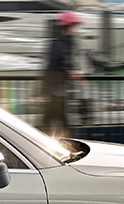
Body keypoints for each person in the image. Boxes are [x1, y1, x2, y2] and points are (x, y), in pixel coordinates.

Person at [42, 10, 84, 138]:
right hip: (56, 85)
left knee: (53, 117)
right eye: (75, 25)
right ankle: (71, 140)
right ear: (69, 26)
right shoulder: (59, 43)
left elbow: (63, 62)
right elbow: (54, 63)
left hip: (58, 85)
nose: (77, 28)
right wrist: (68, 71)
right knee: (59, 118)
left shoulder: (66, 41)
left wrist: (70, 71)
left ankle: (43, 137)